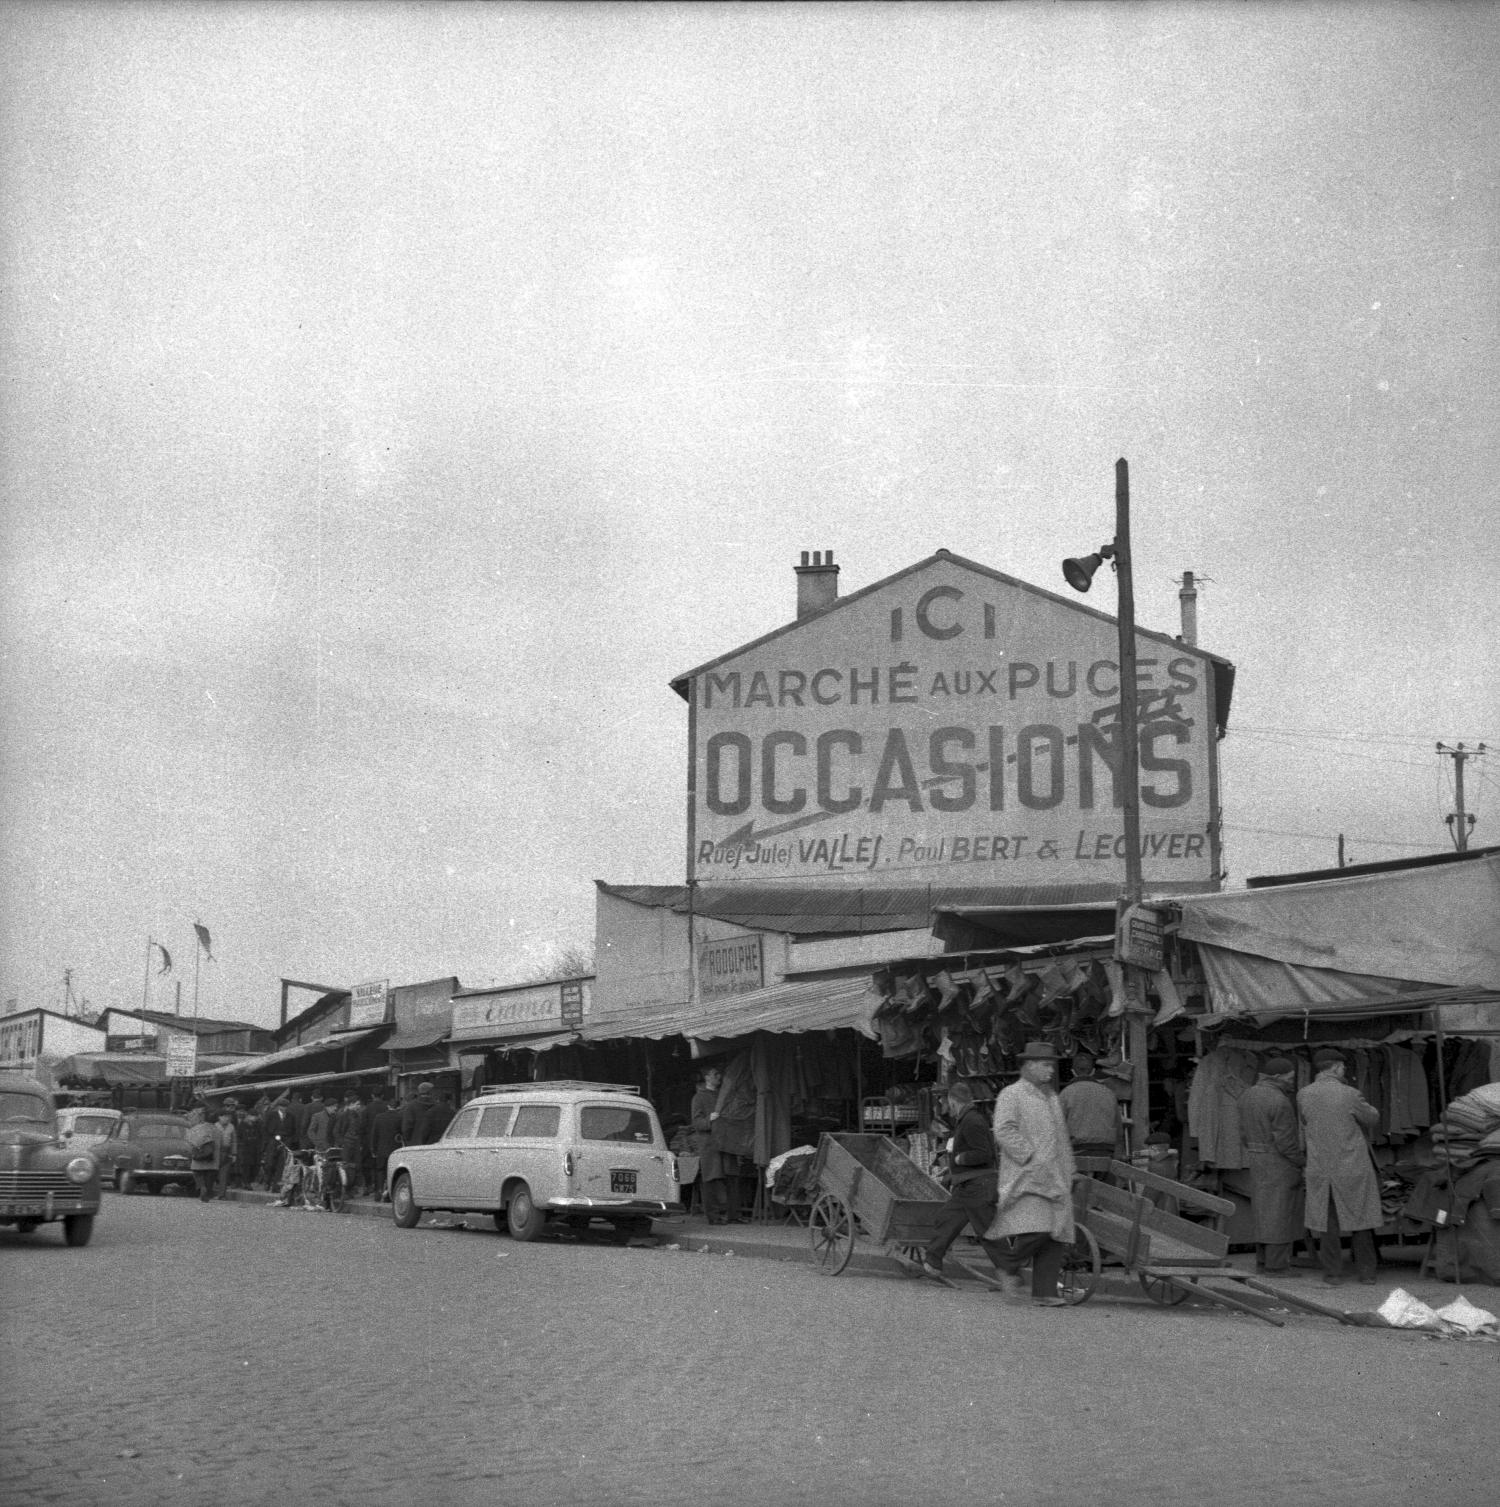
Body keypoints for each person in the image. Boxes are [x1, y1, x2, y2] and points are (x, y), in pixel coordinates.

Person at [986, 1041, 1077, 1307]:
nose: (1051, 1070)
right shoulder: (1011, 1094)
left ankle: (1045, 1291)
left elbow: (1062, 1139)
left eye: (1052, 1065)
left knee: (1056, 1233)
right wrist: (1030, 1157)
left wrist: (1070, 1168)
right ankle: (1007, 1265)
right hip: (1026, 1175)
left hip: (1055, 1174)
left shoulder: (1051, 1098)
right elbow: (1003, 1130)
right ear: (1029, 1066)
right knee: (1038, 1228)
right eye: (1046, 1065)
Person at [1298, 1048, 1381, 1286]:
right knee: (1361, 1219)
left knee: (1328, 1222)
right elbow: (1372, 1118)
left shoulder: (1303, 1094)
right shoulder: (1351, 1094)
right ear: (1335, 1068)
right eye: (1343, 1067)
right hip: (1351, 1165)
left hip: (1320, 1167)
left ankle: (1332, 1274)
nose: (1345, 1070)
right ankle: (1367, 1273)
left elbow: (1305, 1122)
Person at [917, 1081, 1011, 1281]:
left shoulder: (972, 1121)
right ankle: (932, 1262)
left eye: (946, 1102)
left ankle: (1011, 1274)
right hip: (970, 1185)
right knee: (947, 1220)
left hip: (976, 1186)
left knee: (986, 1231)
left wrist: (960, 1158)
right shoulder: (968, 1119)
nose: (946, 1107)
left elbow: (983, 1154)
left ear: (953, 1101)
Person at [1239, 1055, 1306, 1278]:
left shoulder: (1248, 1095)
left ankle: (1262, 1261)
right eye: (1290, 1077)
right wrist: (1301, 1161)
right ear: (1277, 1077)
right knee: (1280, 1213)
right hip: (1278, 1162)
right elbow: (1286, 1142)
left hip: (1256, 1159)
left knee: (1263, 1211)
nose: (1292, 1081)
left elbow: (1242, 1134)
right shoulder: (1280, 1101)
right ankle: (1276, 1266)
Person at [690, 1065, 734, 1224]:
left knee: (727, 1180)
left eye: (719, 1074)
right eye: (715, 1074)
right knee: (712, 1181)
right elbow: (696, 1123)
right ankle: (714, 1217)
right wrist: (710, 1119)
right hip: (709, 1145)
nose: (719, 1076)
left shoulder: (723, 1096)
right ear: (707, 1077)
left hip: (725, 1143)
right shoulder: (699, 1098)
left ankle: (728, 1215)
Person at [1058, 1052, 1120, 1161]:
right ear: (1093, 1071)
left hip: (1077, 1153)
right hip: (1106, 1153)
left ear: (1072, 1071)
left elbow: (1058, 1129)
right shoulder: (1109, 1093)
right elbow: (1118, 1127)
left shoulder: (1065, 1094)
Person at [368, 1093, 402, 1201]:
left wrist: (373, 1148)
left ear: (388, 1106)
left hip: (381, 1150)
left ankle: (378, 1193)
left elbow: (374, 1134)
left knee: (380, 1171)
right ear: (398, 1106)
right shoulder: (400, 1117)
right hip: (395, 1150)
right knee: (392, 1172)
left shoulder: (379, 1117)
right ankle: (388, 1195)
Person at [213, 1104, 237, 1200]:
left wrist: (234, 1154)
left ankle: (221, 1194)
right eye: (225, 1117)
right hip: (216, 1152)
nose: (227, 1119)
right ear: (220, 1117)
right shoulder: (214, 1126)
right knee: (213, 1174)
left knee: (224, 1175)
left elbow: (234, 1141)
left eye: (229, 1117)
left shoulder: (231, 1127)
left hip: (227, 1152)